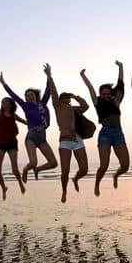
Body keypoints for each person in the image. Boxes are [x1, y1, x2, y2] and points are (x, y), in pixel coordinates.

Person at [80, 61, 129, 196]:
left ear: (111, 94)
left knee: (125, 166)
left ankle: (116, 175)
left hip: (118, 134)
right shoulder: (98, 102)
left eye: (108, 93)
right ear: (100, 94)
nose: (106, 95)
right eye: (103, 93)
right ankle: (97, 184)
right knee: (104, 165)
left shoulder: (116, 102)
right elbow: (90, 88)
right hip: (105, 134)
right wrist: (83, 76)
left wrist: (121, 67)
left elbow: (121, 84)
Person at [0, 73, 58, 181]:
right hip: (31, 137)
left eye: (31, 94)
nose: (29, 97)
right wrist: (3, 83)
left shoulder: (43, 104)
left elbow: (48, 89)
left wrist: (49, 75)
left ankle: (37, 170)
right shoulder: (26, 106)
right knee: (33, 162)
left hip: (42, 138)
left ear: (35, 95)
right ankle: (25, 169)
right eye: (27, 96)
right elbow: (13, 95)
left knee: (53, 163)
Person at [44, 63, 89, 203]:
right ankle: (64, 191)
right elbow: (53, 91)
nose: (66, 100)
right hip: (65, 141)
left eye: (67, 98)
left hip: (77, 139)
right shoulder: (57, 106)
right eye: (64, 98)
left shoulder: (73, 108)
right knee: (65, 171)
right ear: (60, 99)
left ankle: (76, 179)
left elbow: (85, 106)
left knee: (84, 169)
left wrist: (75, 96)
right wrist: (49, 75)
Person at [0, 72, 27, 200]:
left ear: (10, 104)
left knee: (14, 170)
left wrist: (38, 124)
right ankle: (4, 187)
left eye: (5, 101)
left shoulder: (13, 115)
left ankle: (20, 182)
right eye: (2, 102)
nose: (3, 103)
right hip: (0, 143)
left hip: (12, 143)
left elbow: (26, 122)